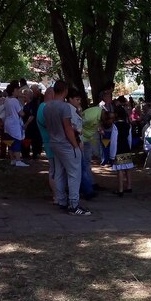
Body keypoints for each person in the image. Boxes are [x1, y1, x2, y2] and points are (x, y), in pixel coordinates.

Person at [44, 80, 91, 216]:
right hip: (66, 144)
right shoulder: (64, 107)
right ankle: (74, 204)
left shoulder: (47, 107)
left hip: (54, 142)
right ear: (65, 91)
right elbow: (67, 127)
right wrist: (75, 145)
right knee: (74, 174)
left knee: (59, 172)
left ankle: (62, 201)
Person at [36, 87, 57, 203]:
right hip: (51, 144)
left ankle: (57, 195)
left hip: (50, 143)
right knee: (54, 171)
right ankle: (57, 196)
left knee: (54, 170)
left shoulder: (42, 107)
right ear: (52, 95)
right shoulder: (46, 108)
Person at [3, 82, 29, 167]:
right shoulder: (15, 101)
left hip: (7, 123)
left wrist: (22, 96)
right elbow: (21, 113)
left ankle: (12, 159)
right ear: (14, 90)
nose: (19, 91)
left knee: (10, 141)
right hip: (14, 123)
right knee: (17, 141)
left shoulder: (6, 99)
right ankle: (18, 160)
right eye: (17, 90)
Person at [110, 105, 134, 196]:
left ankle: (120, 189)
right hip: (126, 148)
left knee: (119, 170)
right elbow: (130, 139)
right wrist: (129, 148)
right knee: (128, 168)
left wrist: (112, 154)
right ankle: (129, 186)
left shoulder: (115, 126)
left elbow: (114, 140)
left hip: (118, 149)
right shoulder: (128, 125)